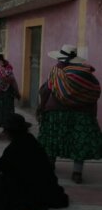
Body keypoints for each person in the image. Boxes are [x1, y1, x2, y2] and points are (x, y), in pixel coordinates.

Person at [0, 114, 69, 210]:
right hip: (45, 187)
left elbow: (1, 166)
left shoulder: (15, 147)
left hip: (29, 190)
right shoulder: (30, 140)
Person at [37, 44, 102, 184]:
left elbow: (44, 91)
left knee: (52, 139)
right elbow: (93, 96)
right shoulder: (87, 74)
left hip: (56, 113)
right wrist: (92, 115)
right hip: (82, 114)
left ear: (60, 58)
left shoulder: (56, 72)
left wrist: (41, 108)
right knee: (79, 142)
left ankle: (50, 165)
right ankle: (77, 172)